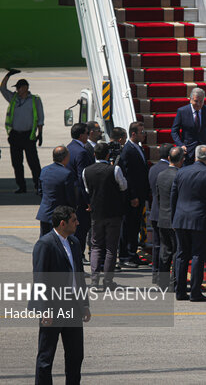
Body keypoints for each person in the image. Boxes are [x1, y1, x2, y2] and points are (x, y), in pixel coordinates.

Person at [32, 205, 91, 384]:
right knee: (46, 356)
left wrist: (85, 305)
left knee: (75, 355)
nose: (78, 223)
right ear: (63, 223)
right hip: (53, 307)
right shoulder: (45, 244)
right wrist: (44, 309)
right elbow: (40, 279)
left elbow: (79, 277)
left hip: (73, 306)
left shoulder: (74, 242)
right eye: (74, 220)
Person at [171, 145, 206, 301]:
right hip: (200, 220)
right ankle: (195, 292)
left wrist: (174, 218)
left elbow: (173, 197)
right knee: (198, 255)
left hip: (180, 219)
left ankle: (179, 291)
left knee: (181, 255)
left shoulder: (181, 173)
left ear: (195, 157)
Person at [83, 142, 128, 290]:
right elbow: (123, 186)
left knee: (96, 246)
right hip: (114, 213)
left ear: (94, 155)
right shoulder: (114, 169)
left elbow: (88, 190)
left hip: (96, 213)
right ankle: (108, 281)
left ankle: (94, 280)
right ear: (108, 155)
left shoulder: (86, 171)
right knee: (111, 248)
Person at [0, 70, 44, 193]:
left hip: (28, 136)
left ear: (25, 88)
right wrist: (8, 75)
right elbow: (2, 89)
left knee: (34, 163)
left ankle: (38, 186)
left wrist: (40, 134)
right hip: (15, 136)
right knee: (17, 163)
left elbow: (40, 118)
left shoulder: (35, 100)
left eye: (19, 87)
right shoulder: (14, 98)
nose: (17, 90)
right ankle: (21, 186)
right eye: (17, 88)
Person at [118, 121, 150, 268]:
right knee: (128, 226)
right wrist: (133, 196)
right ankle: (125, 256)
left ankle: (132, 252)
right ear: (133, 134)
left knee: (135, 225)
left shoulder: (138, 148)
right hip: (133, 197)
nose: (144, 135)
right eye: (141, 132)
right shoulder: (128, 150)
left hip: (140, 194)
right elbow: (128, 175)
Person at [156, 146, 184, 289]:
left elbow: (159, 197)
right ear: (181, 160)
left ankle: (163, 282)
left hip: (163, 217)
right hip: (176, 219)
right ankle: (175, 282)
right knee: (176, 251)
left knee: (164, 251)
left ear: (168, 159)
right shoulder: (180, 176)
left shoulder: (161, 174)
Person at [67, 123, 94, 262]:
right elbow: (82, 177)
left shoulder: (69, 148)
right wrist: (88, 200)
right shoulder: (82, 152)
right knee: (82, 227)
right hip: (80, 197)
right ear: (81, 135)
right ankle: (80, 255)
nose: (88, 136)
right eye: (87, 133)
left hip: (70, 195)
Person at [36, 146, 76, 236]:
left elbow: (40, 191)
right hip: (60, 216)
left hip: (45, 213)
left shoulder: (44, 170)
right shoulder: (67, 174)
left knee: (44, 241)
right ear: (65, 158)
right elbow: (70, 197)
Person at [171, 88, 206, 164]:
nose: (198, 104)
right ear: (190, 100)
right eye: (196, 101)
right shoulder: (182, 111)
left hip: (204, 150)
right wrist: (180, 145)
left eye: (201, 101)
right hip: (188, 151)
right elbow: (174, 131)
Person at [148, 143, 172, 282]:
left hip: (155, 210)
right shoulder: (169, 170)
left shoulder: (153, 169)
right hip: (166, 213)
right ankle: (163, 276)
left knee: (157, 245)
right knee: (167, 247)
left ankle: (155, 273)